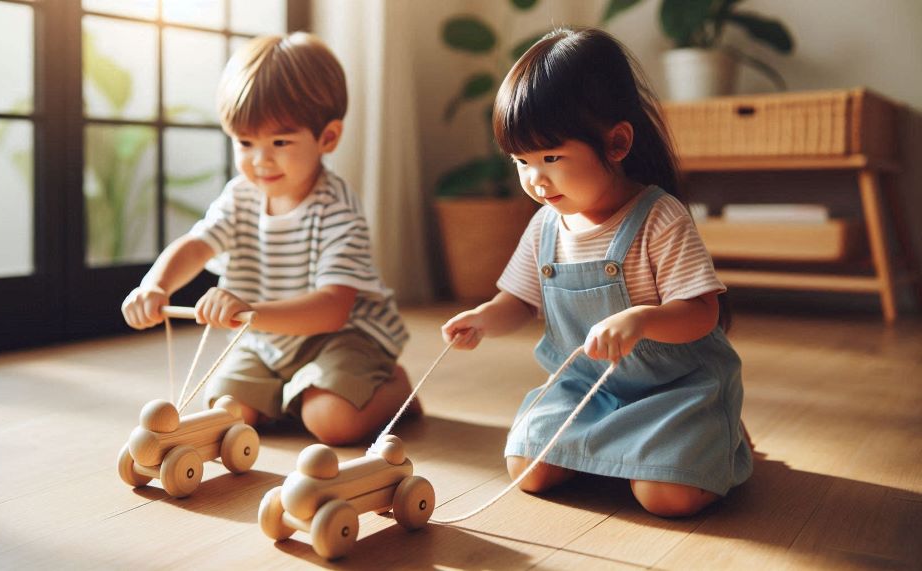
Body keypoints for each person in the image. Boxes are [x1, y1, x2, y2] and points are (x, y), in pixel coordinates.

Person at [441, 28, 752, 517]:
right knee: (528, 468)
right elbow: (517, 303)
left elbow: (701, 313)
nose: (535, 179)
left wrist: (642, 321)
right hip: (587, 391)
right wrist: (483, 318)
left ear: (617, 142)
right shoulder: (546, 225)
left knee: (667, 497)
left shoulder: (658, 216)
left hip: (673, 392)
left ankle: (717, 431)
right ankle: (626, 455)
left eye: (551, 158)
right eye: (521, 161)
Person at [122, 32, 414, 446]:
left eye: (279, 142)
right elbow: (197, 244)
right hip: (263, 340)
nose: (260, 160)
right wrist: (156, 284)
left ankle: (394, 386)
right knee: (225, 412)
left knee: (330, 421)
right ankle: (290, 392)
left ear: (327, 138)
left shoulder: (336, 208)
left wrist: (250, 310)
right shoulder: (240, 195)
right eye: (245, 143)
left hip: (343, 338)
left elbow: (332, 310)